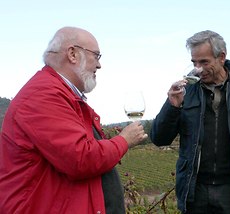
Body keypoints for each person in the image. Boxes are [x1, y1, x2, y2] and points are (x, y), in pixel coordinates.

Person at [0, 27, 148, 214]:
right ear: (72, 54)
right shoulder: (44, 95)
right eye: (97, 56)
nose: (99, 65)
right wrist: (124, 141)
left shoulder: (60, 94)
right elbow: (81, 159)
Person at [150, 30, 230, 214]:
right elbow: (159, 138)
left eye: (204, 62)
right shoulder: (186, 91)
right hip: (195, 190)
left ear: (222, 57)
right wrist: (172, 107)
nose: (197, 69)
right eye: (194, 62)